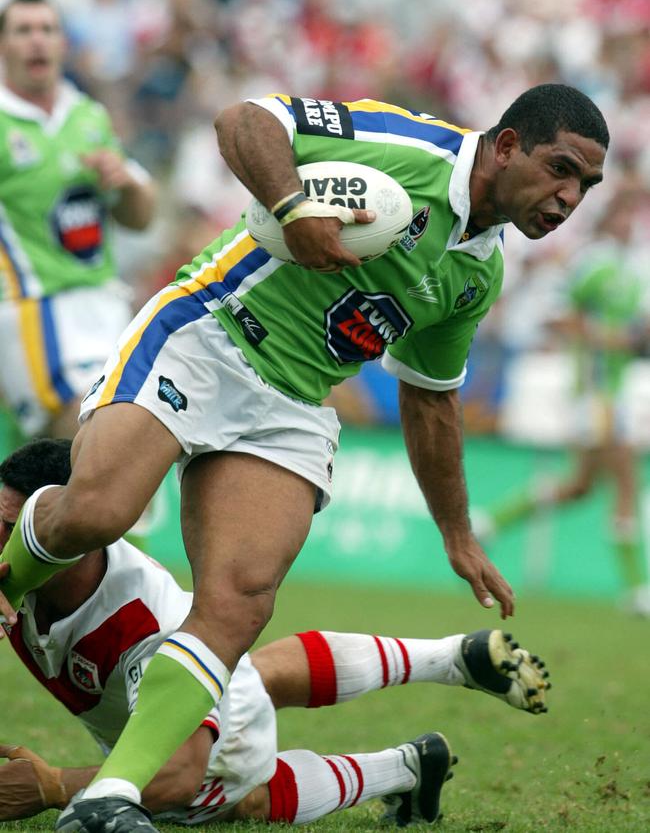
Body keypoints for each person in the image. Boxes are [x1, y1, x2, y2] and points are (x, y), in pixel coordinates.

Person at [0, 83, 606, 833]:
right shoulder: (410, 149)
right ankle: (6, 580)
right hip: (209, 331)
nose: (569, 196)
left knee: (240, 601)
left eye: (585, 185)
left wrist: (456, 533)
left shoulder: (476, 273)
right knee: (95, 510)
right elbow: (245, 120)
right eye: (561, 169)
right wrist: (293, 207)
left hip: (291, 403)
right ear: (508, 144)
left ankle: (105, 799)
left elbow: (429, 399)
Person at [0, 438, 551, 828]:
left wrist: (54, 787)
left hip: (208, 738)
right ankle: (451, 659)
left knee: (229, 799)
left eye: (8, 528)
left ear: (72, 534)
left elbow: (177, 772)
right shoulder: (19, 580)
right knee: (253, 676)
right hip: (215, 673)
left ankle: (400, 766)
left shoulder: (143, 628)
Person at [472, 179, 650, 615]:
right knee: (627, 479)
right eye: (631, 214)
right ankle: (636, 588)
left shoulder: (627, 269)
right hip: (592, 391)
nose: (636, 224)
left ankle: (490, 521)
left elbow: (630, 332)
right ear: (614, 216)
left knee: (580, 486)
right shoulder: (594, 263)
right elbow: (558, 315)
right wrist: (602, 337)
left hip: (612, 390)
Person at [0, 0, 156, 441]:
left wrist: (124, 182)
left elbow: (141, 217)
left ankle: (27, 509)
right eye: (23, 31)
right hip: (32, 304)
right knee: (87, 428)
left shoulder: (88, 116)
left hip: (102, 301)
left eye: (47, 30)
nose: (38, 41)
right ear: (3, 45)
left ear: (63, 43)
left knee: (110, 440)